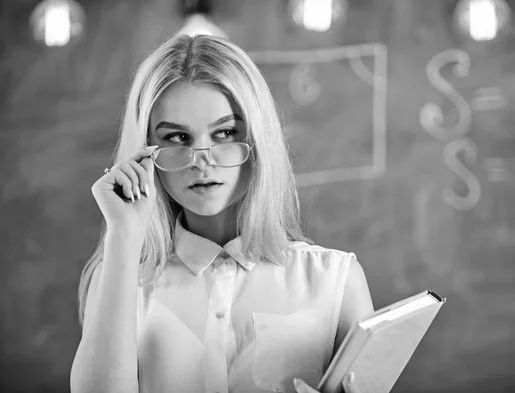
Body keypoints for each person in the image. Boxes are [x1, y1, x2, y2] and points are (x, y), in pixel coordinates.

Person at [70, 33, 374, 393]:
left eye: (225, 132)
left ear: (258, 140)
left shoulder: (335, 280)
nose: (203, 161)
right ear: (145, 151)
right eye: (177, 138)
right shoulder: (119, 279)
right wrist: (123, 235)